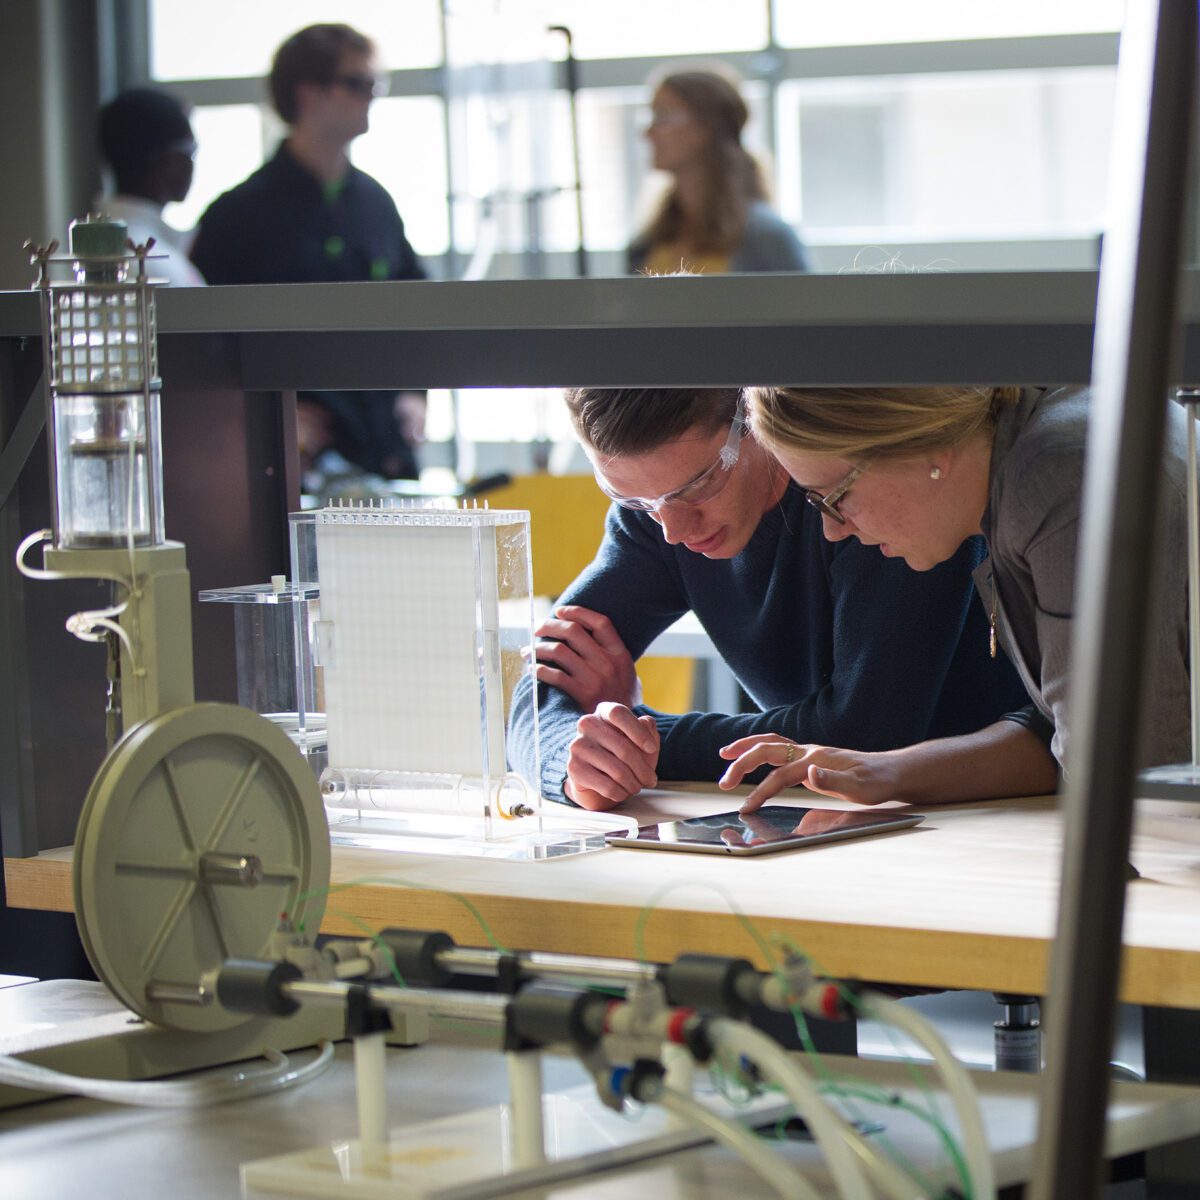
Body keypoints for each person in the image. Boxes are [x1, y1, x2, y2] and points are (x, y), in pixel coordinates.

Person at [505, 386, 1031, 810]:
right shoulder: (656, 515)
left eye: (698, 488)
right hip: (848, 818)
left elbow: (863, 732)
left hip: (1006, 811)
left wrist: (640, 737)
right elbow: (536, 687)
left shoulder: (859, 495)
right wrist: (576, 761)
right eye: (631, 499)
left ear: (754, 413)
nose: (672, 529)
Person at [721, 384, 1190, 812]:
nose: (832, 529)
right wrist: (885, 770)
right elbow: (1066, 731)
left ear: (925, 446)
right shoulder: (1037, 450)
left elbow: (1128, 767)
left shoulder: (1058, 475)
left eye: (833, 497)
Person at [190, 22, 426, 482]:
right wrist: (260, 416)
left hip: (383, 459)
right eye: (356, 83)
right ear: (308, 94)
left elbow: (417, 305)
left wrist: (415, 394)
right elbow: (201, 351)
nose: (371, 96)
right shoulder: (237, 216)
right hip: (289, 467)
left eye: (375, 84)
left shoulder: (377, 205)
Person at [627, 68, 809, 276]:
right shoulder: (647, 242)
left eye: (663, 117)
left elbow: (804, 307)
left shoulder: (768, 238)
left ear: (706, 126)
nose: (648, 133)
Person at [95, 87, 206, 287]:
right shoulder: (150, 262)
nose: (192, 164)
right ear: (172, 161)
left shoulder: (108, 247)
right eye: (191, 151)